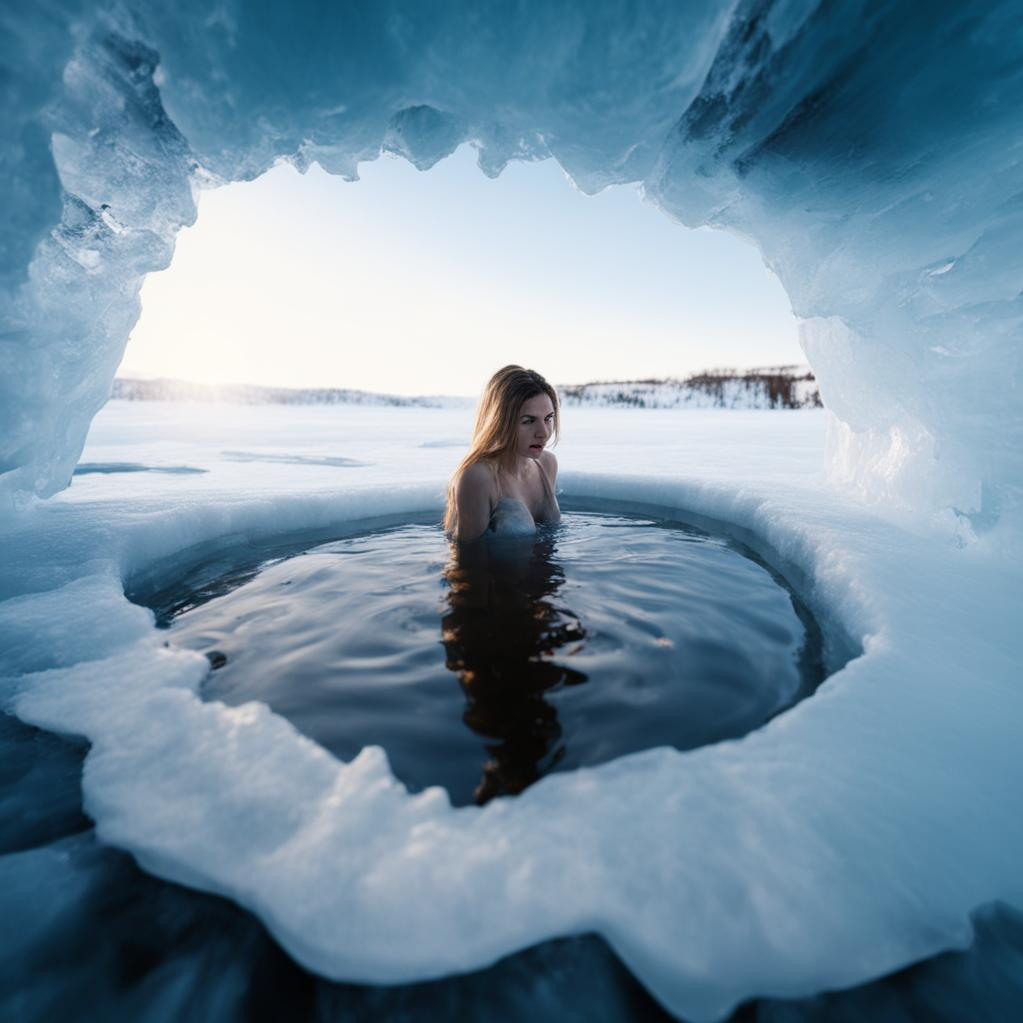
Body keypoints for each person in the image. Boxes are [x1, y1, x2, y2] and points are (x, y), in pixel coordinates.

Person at [443, 365, 562, 541]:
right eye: (528, 421)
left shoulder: (547, 464)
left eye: (548, 418)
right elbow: (466, 562)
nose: (543, 432)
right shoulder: (478, 477)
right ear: (499, 422)